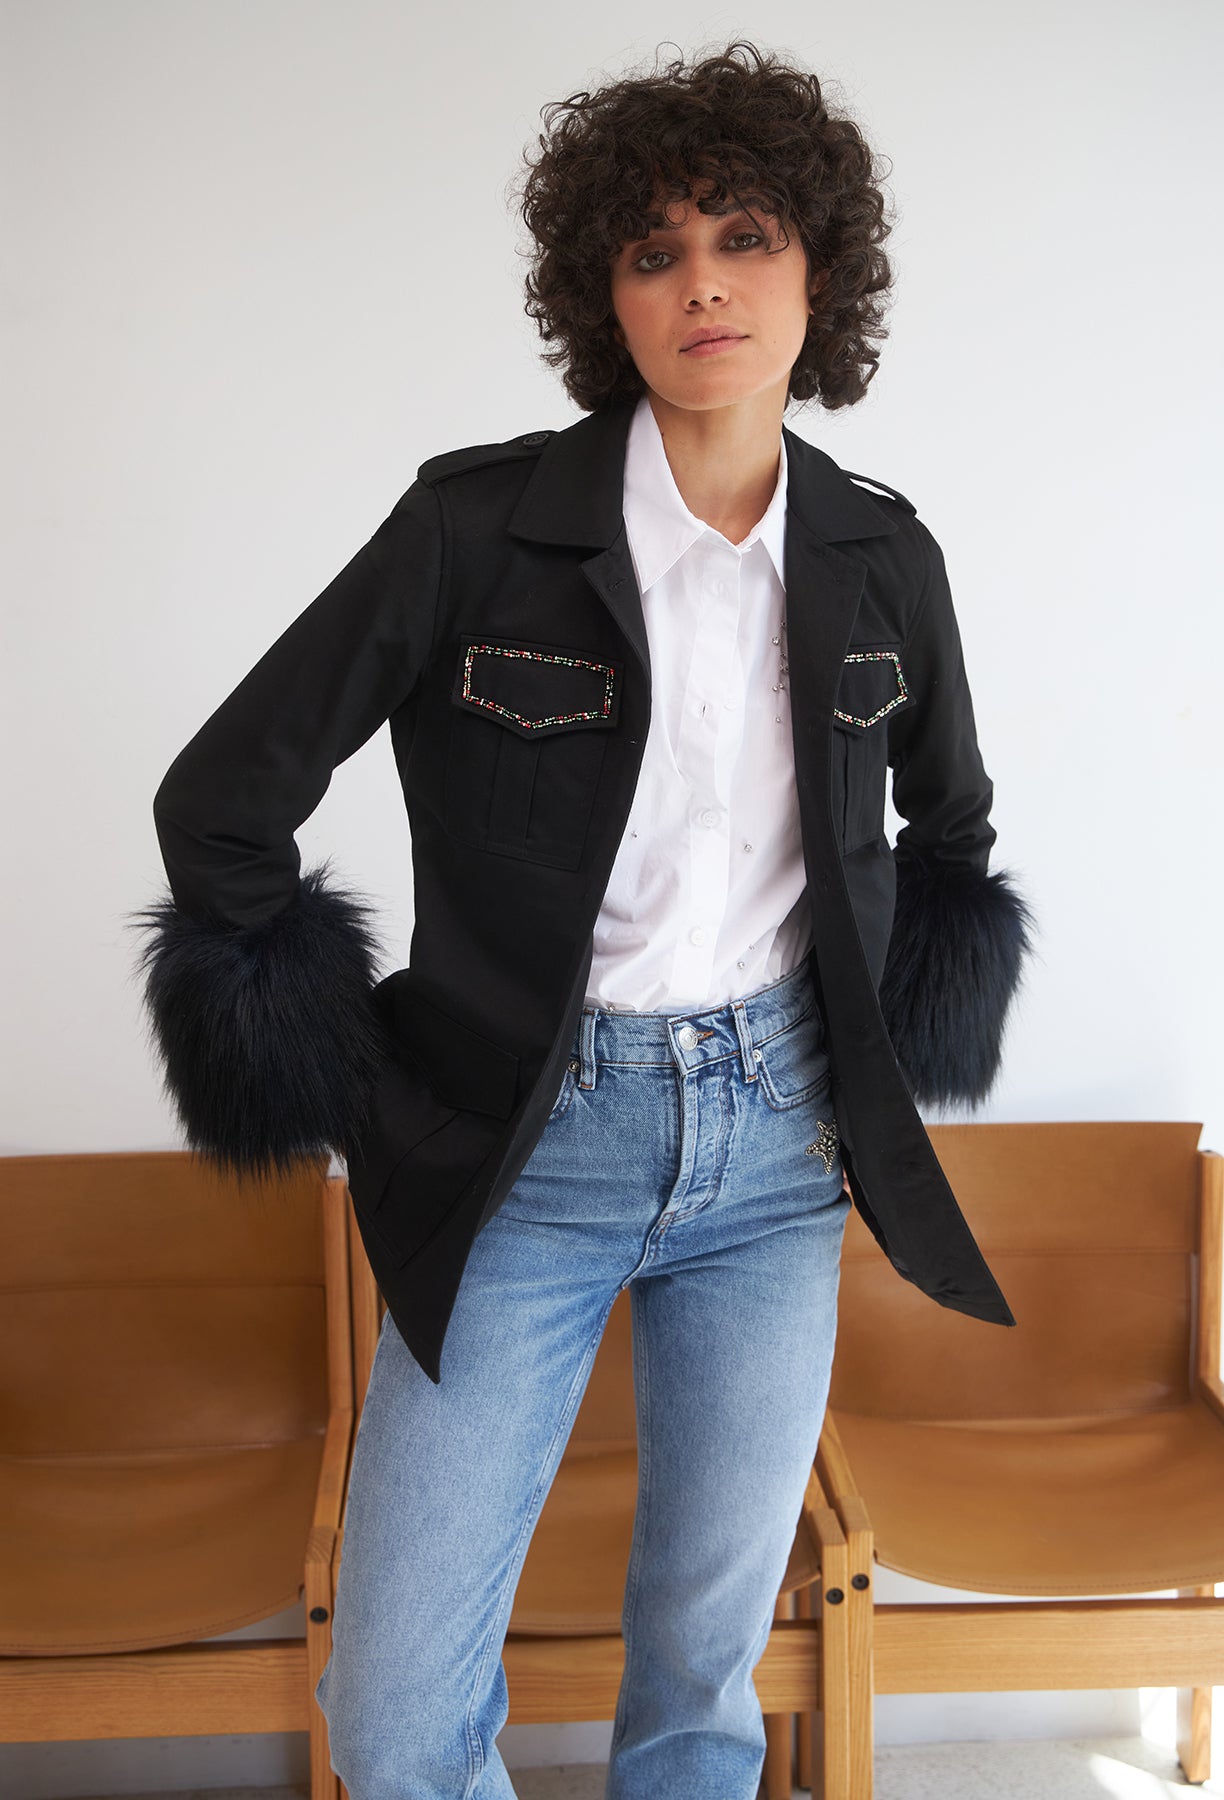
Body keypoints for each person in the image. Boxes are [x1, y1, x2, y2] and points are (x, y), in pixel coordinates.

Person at [135, 38, 1032, 1799]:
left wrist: (868, 1048)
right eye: (654, 251)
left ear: (821, 275)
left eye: (747, 237)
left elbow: (953, 828)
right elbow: (220, 800)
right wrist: (364, 1074)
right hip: (525, 1156)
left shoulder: (882, 558)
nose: (704, 284)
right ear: (601, 299)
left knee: (702, 1685)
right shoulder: (473, 532)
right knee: (395, 1715)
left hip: (778, 1156)